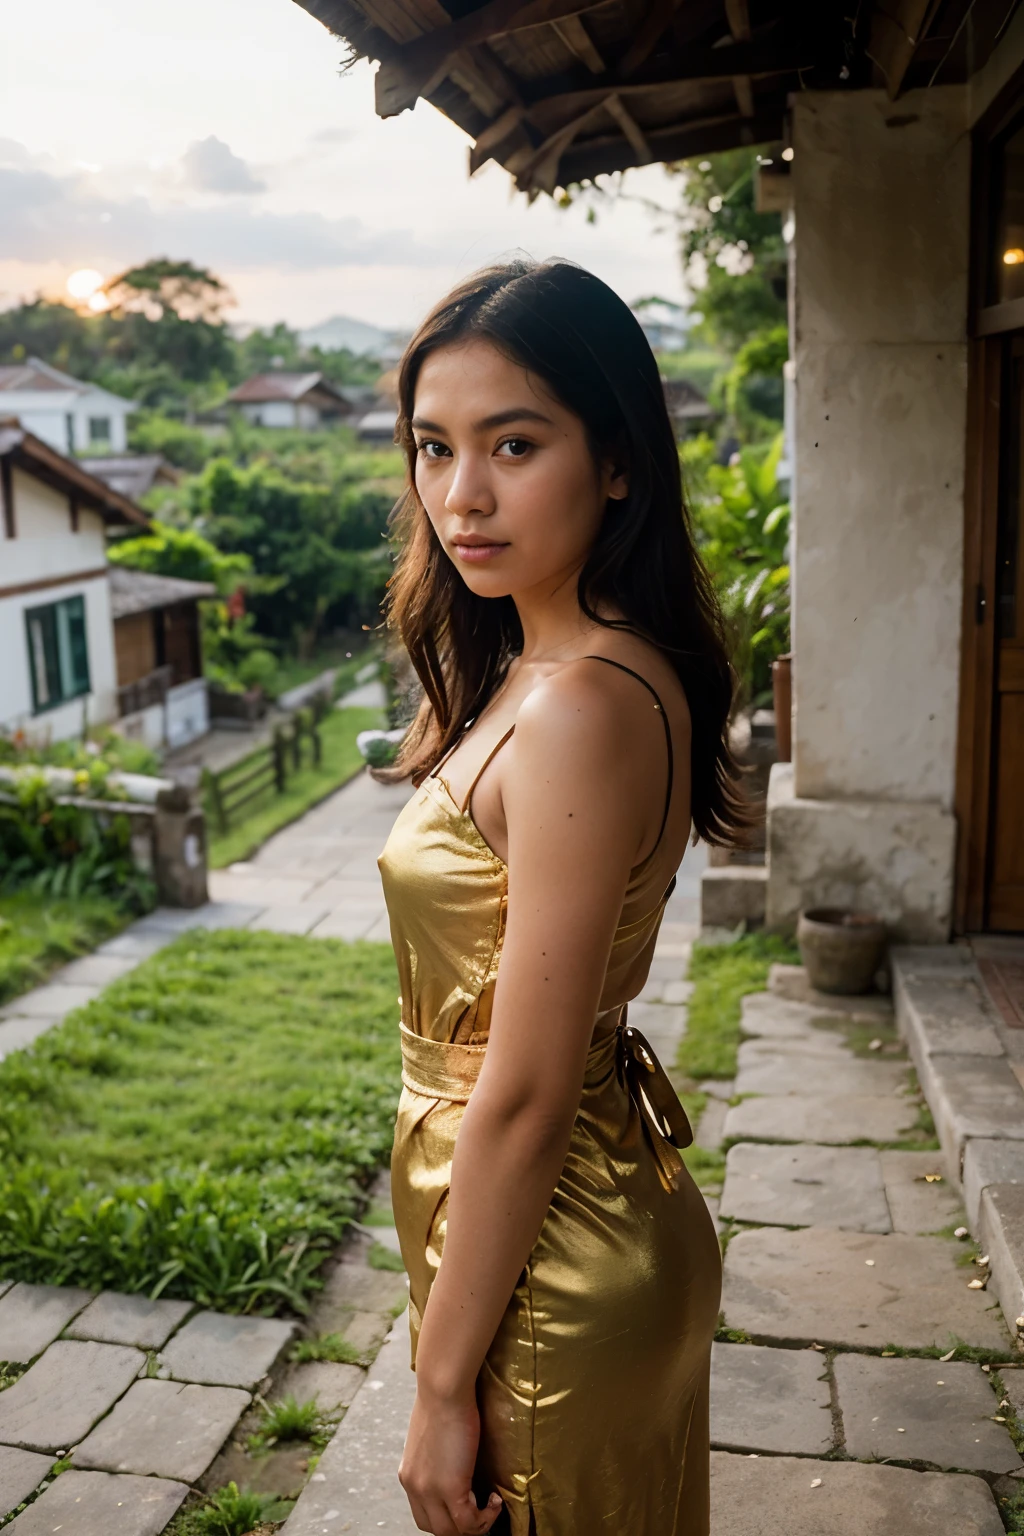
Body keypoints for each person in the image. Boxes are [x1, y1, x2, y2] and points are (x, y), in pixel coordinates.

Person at [376, 258, 746, 1536]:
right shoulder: (544, 661)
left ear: (620, 461)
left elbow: (526, 1094)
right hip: (551, 1226)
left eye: (513, 444)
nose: (459, 495)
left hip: (558, 1251)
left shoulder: (583, 701)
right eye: (433, 447)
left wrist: (435, 1390)